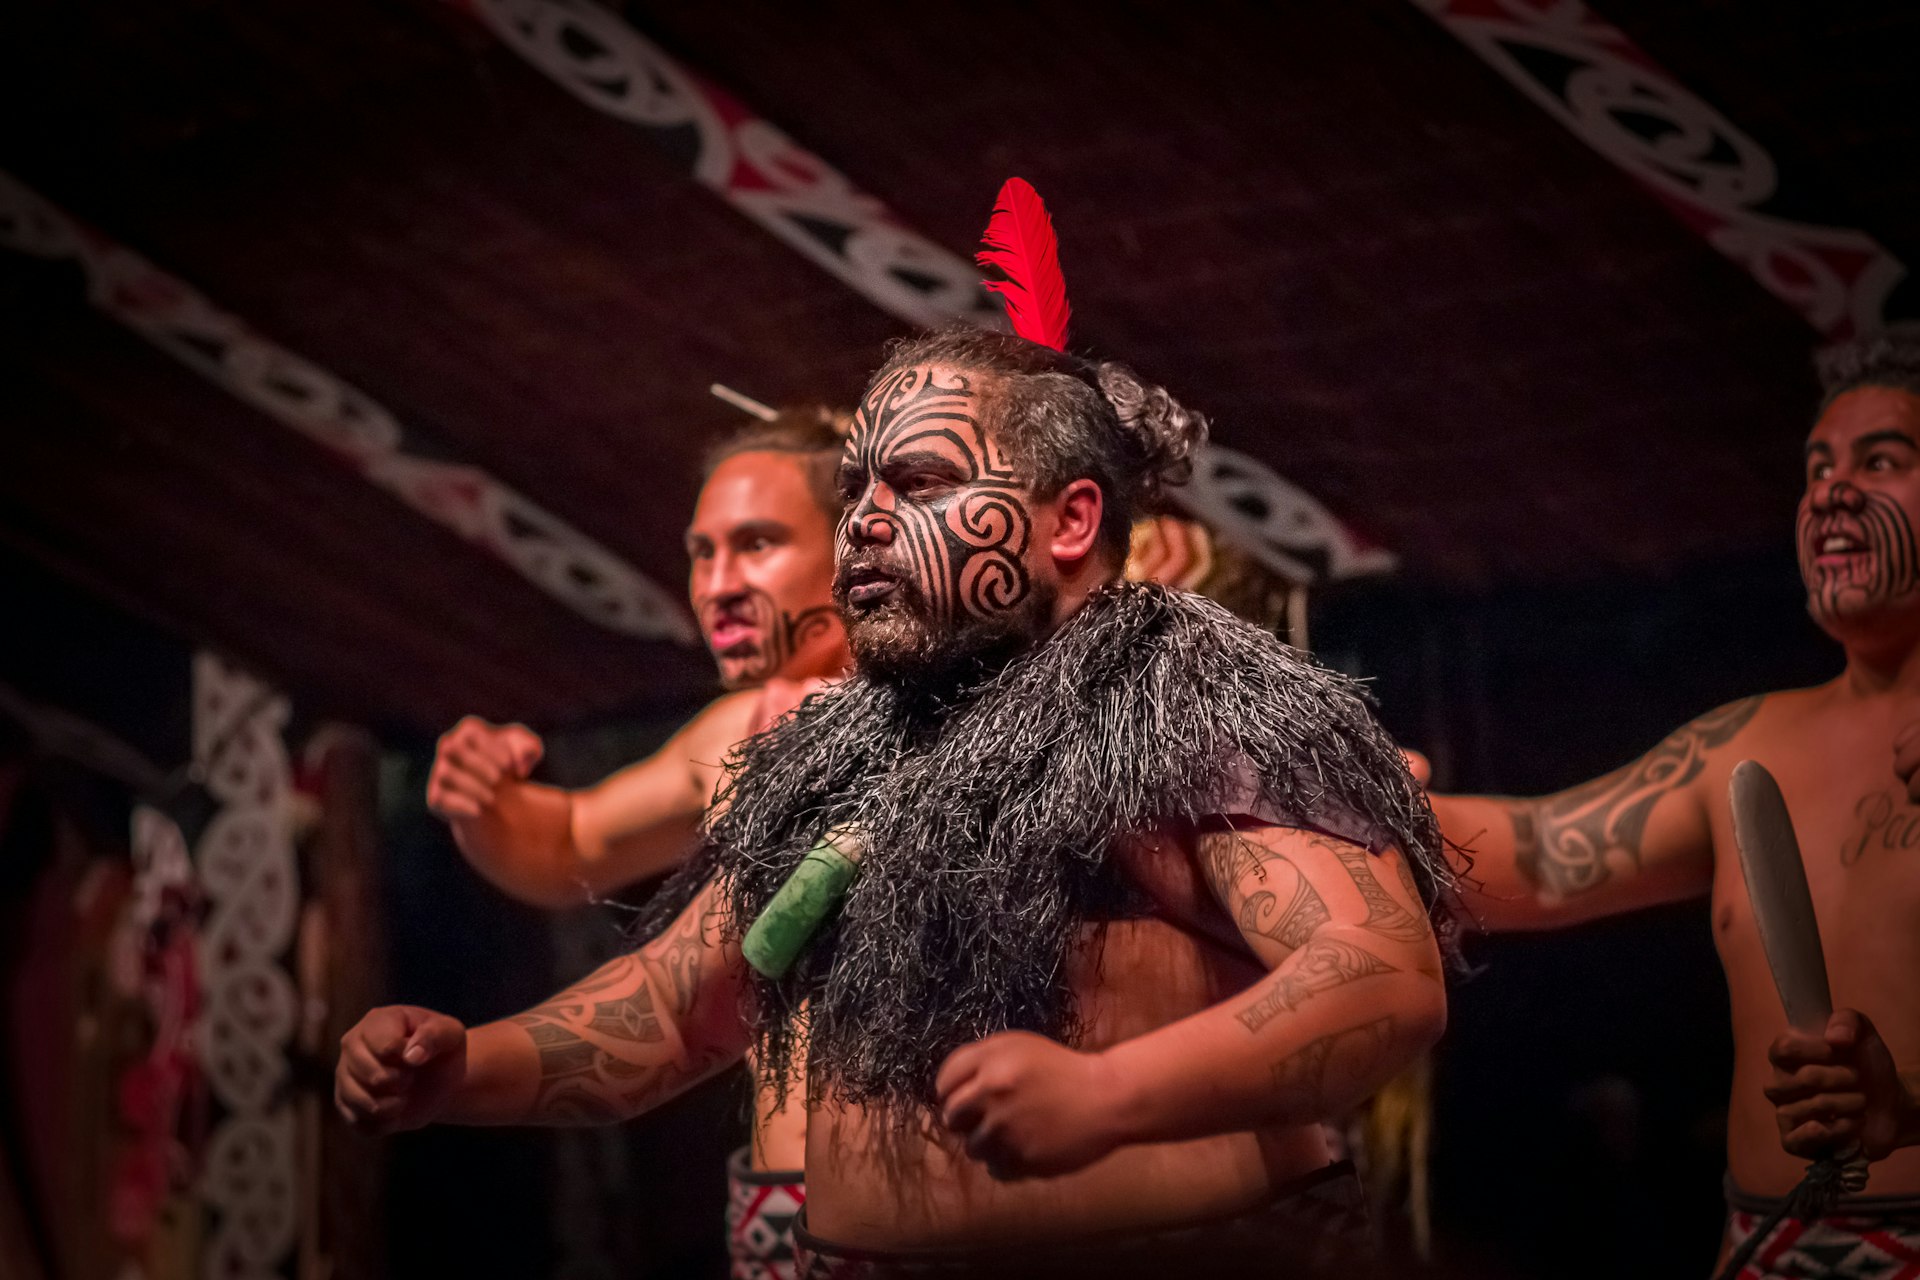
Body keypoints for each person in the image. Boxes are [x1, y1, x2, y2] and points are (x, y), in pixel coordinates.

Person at [338, 322, 1454, 1276]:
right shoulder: (836, 747)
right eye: (857, 488)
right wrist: (467, 1065)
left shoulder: (1199, 701)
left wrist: (1108, 1094)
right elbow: (676, 1009)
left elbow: (1377, 978)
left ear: (1069, 520)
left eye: (918, 483)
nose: (865, 520)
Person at [1425, 329, 1920, 1275]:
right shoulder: (1745, 745)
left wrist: (1908, 1108)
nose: (1831, 492)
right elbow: (1538, 857)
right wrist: (1347, 792)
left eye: (1880, 460)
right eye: (1817, 468)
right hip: (1769, 1245)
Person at [422, 406, 850, 1276]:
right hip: (781, 1217)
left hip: (950, 1218)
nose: (719, 584)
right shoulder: (740, 730)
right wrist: (486, 802)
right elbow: (570, 841)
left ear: (855, 549)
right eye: (703, 553)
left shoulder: (960, 714)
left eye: (757, 545)